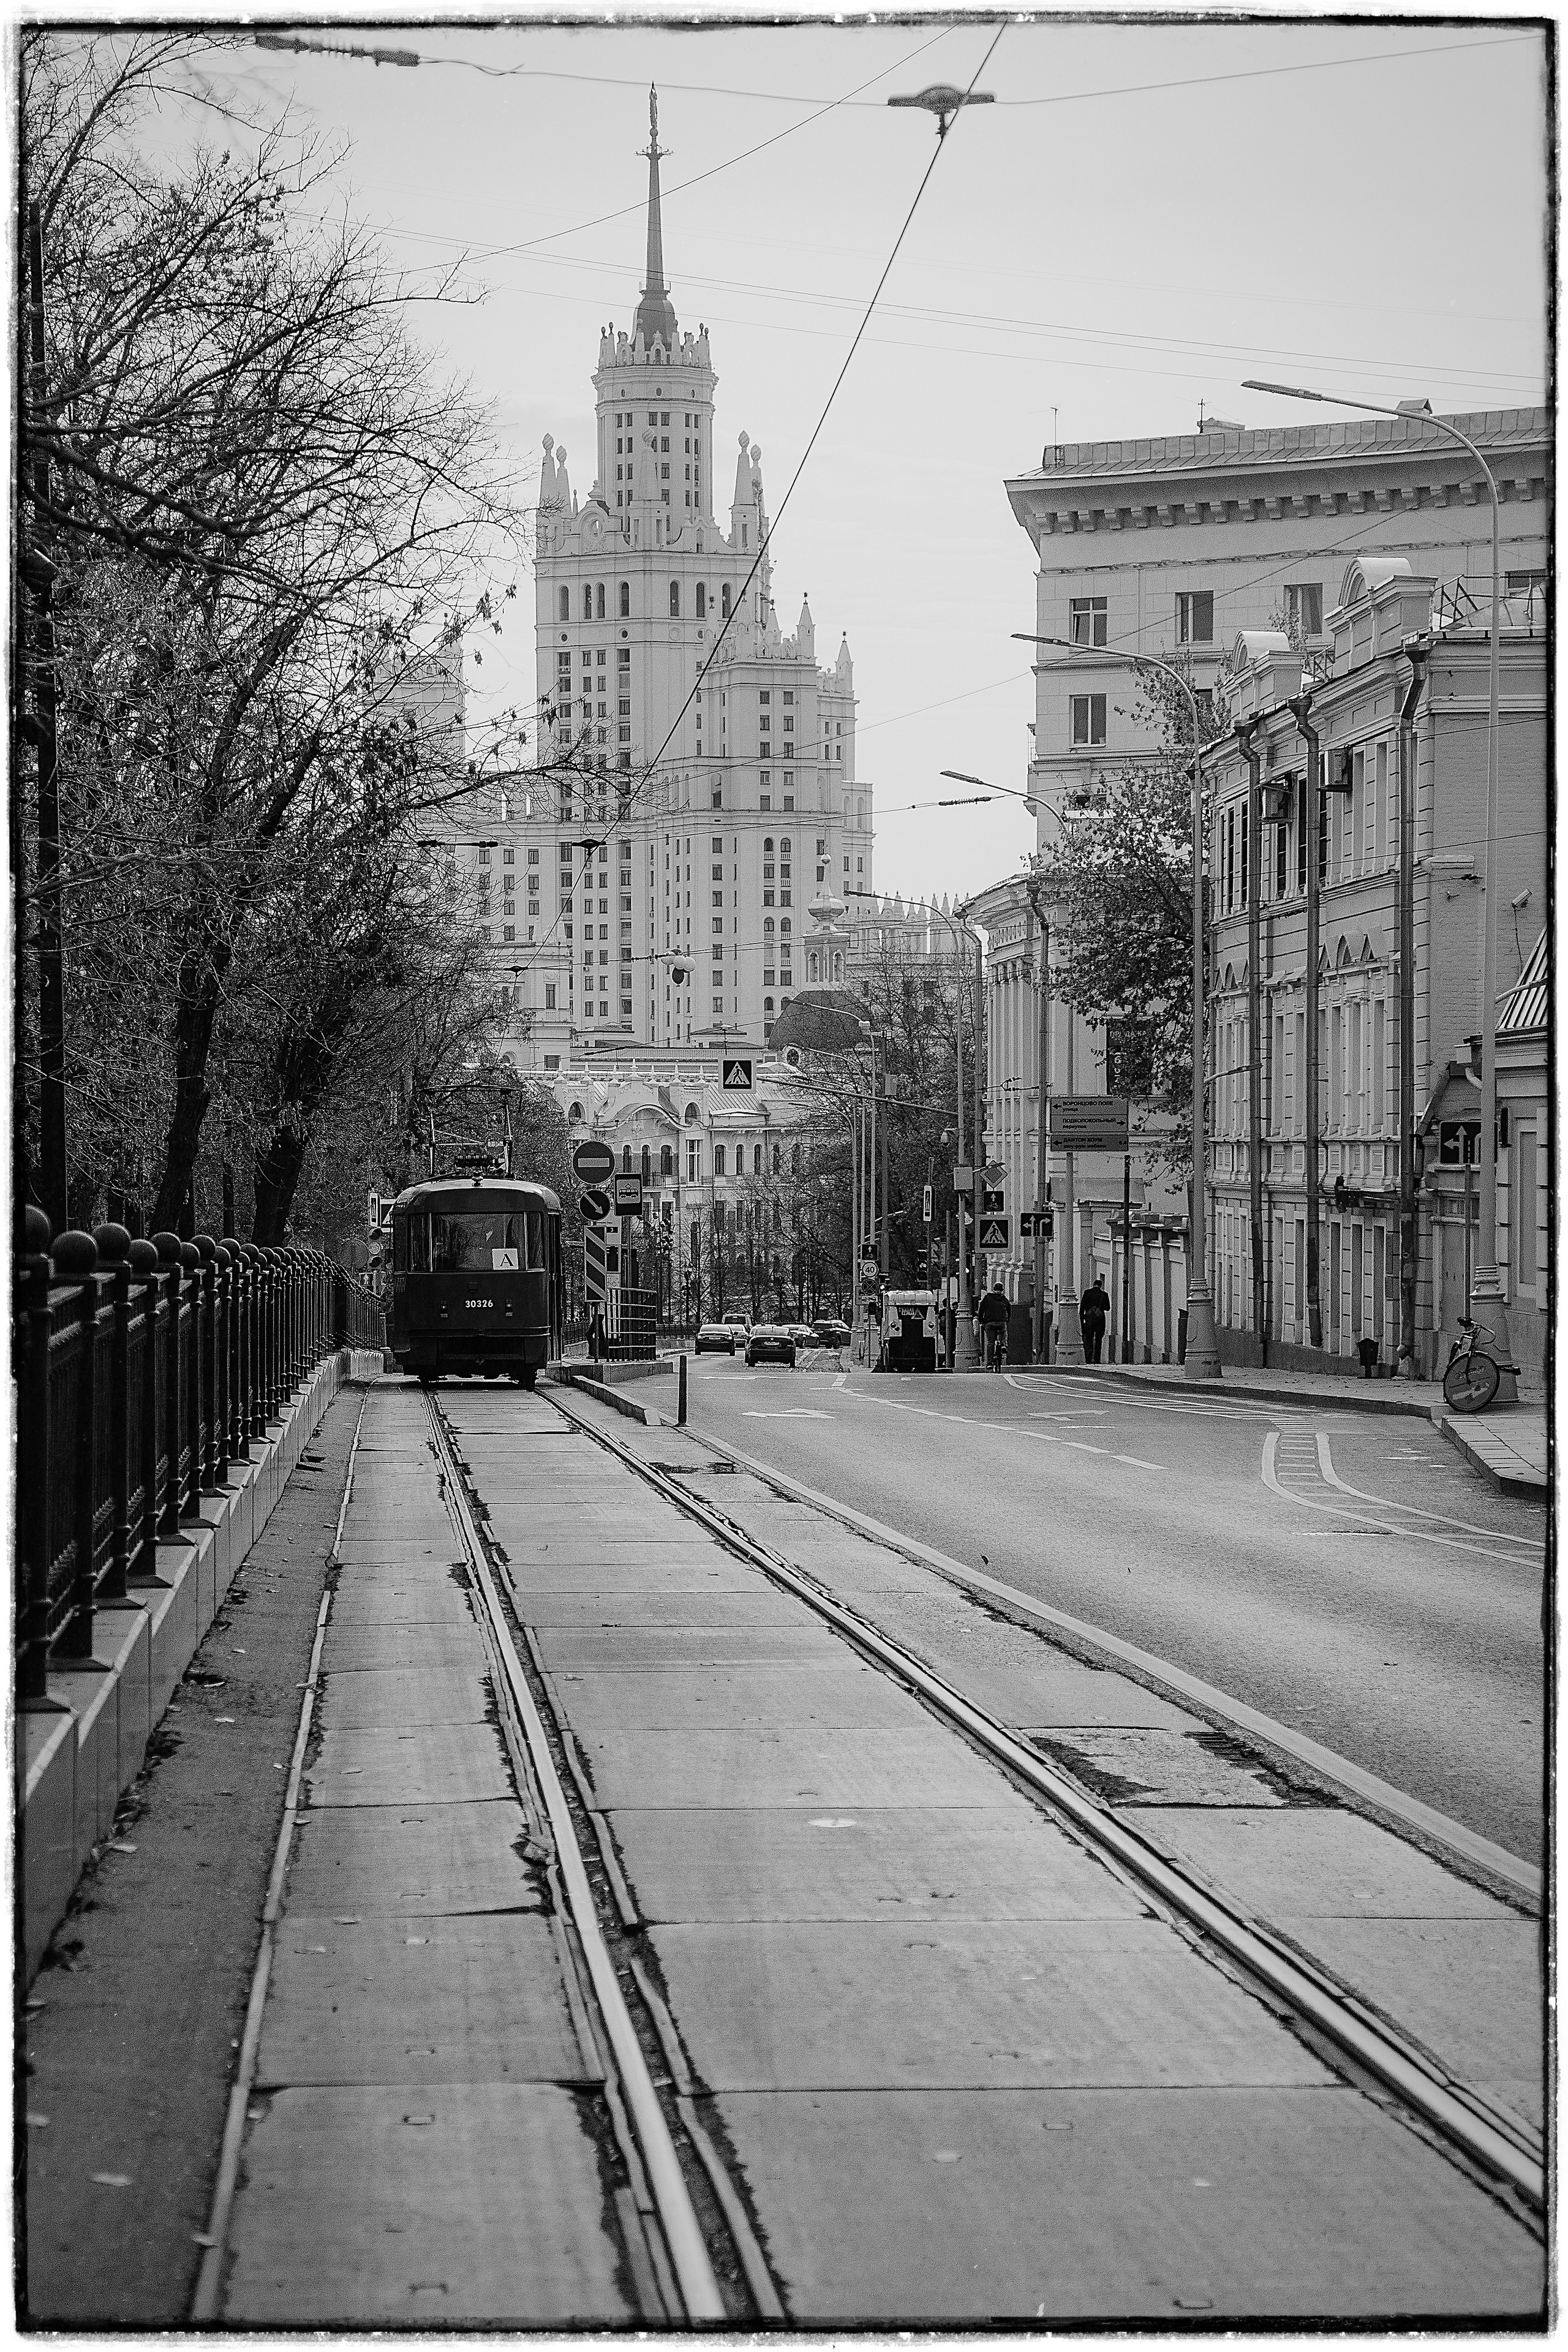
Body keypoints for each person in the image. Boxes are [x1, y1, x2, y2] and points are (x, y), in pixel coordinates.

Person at [977, 1280, 1009, 1371]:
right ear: (1002, 1290)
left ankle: (989, 1363)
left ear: (994, 1289)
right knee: (1003, 1333)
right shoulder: (1004, 1298)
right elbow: (1009, 1309)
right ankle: (1004, 1345)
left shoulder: (987, 1297)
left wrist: (981, 1321)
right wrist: (1007, 1320)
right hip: (1002, 1321)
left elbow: (981, 1310)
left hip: (989, 1322)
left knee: (990, 1343)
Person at [1079, 1275, 1110, 1365]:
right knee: (1098, 1340)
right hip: (1100, 1320)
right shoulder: (1104, 1295)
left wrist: (1082, 1319)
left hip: (1089, 1320)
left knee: (1089, 1339)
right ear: (1101, 1286)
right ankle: (1097, 1359)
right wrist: (1099, 1308)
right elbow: (1108, 1308)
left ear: (1093, 1285)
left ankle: (1088, 1358)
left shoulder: (1087, 1293)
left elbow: (1082, 1308)